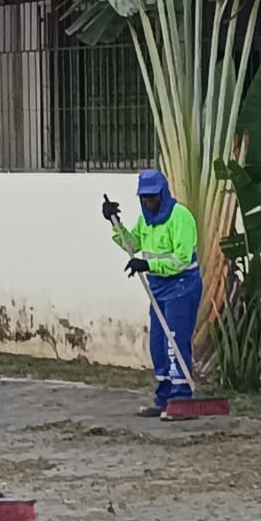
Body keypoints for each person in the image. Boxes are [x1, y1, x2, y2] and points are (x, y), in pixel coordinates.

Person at [103, 169, 201, 420]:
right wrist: (115, 224)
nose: (148, 201)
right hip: (158, 288)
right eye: (144, 197)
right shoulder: (145, 220)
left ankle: (182, 398)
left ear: (163, 193)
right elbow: (132, 244)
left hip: (182, 286)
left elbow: (180, 260)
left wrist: (148, 265)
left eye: (152, 196)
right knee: (158, 343)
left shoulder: (181, 217)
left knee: (174, 341)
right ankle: (164, 397)